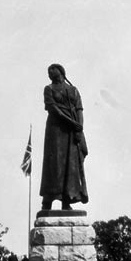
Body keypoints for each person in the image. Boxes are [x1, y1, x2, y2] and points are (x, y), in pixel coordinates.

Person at [40, 63, 88, 210]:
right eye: (48, 72)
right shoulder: (48, 89)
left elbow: (79, 110)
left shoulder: (73, 90)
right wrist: (73, 123)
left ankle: (67, 200)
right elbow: (54, 109)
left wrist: (79, 129)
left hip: (72, 131)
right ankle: (47, 201)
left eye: (52, 70)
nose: (49, 73)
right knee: (54, 164)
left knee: (71, 164)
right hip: (56, 129)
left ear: (60, 71)